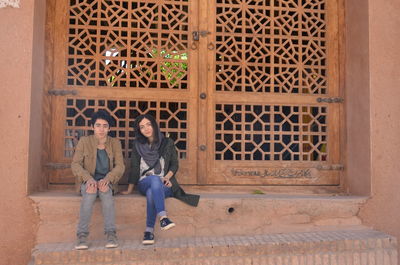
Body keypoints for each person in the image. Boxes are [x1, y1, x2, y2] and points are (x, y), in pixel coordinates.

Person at [121, 114, 199, 245]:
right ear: (139, 130)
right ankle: (163, 217)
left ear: (154, 124)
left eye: (148, 124)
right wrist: (129, 189)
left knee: (153, 191)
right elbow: (134, 167)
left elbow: (174, 164)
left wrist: (167, 178)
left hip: (164, 183)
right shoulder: (138, 145)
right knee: (153, 180)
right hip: (144, 182)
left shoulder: (167, 143)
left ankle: (148, 231)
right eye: (142, 127)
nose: (146, 129)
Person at [71, 110, 125, 250]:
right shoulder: (84, 141)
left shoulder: (115, 143)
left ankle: (111, 235)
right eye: (98, 125)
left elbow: (120, 166)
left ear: (109, 128)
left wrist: (108, 179)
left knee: (106, 195)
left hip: (107, 181)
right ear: (92, 127)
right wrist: (88, 179)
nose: (101, 129)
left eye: (105, 126)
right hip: (88, 181)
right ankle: (82, 237)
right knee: (89, 196)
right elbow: (75, 164)